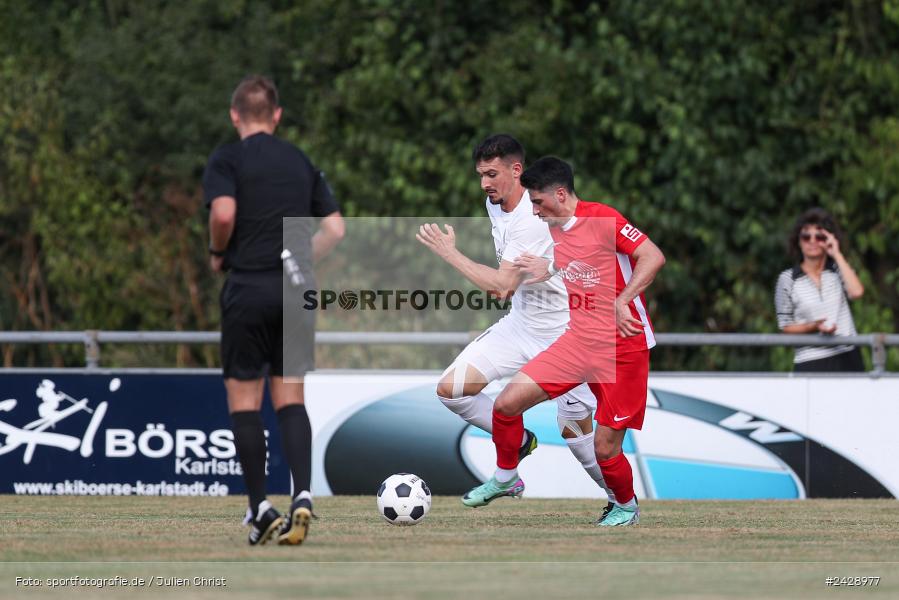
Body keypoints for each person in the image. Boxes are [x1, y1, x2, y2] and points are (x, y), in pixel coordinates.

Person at [416, 135, 618, 511]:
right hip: (521, 325)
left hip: (565, 333)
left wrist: (449, 253)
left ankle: (620, 501)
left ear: (516, 170)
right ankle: (513, 458)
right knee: (451, 390)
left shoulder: (531, 217)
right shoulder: (495, 203)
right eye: (480, 175)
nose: (484, 184)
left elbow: (501, 287)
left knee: (576, 433)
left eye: (492, 174)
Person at [463, 156, 665, 527]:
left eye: (537, 202)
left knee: (605, 447)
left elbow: (652, 256)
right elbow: (578, 261)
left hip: (622, 348)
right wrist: (550, 269)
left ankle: (625, 507)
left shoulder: (603, 218)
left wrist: (622, 301)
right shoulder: (554, 225)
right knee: (507, 404)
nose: (534, 210)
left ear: (560, 194)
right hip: (577, 342)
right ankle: (506, 478)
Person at [203, 75, 345, 545]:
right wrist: (303, 258)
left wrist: (217, 251)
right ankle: (302, 496)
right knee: (291, 398)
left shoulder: (228, 158)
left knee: (245, 400)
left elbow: (223, 214)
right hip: (294, 289)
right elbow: (336, 229)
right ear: (277, 115)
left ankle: (260, 508)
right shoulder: (299, 161)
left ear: (235, 115)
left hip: (248, 285)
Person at [774, 207, 865, 372]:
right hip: (810, 360)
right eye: (806, 236)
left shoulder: (838, 269)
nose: (812, 240)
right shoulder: (787, 278)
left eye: (820, 236)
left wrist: (836, 253)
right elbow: (785, 327)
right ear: (798, 241)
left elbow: (857, 292)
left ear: (829, 239)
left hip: (847, 354)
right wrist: (813, 327)